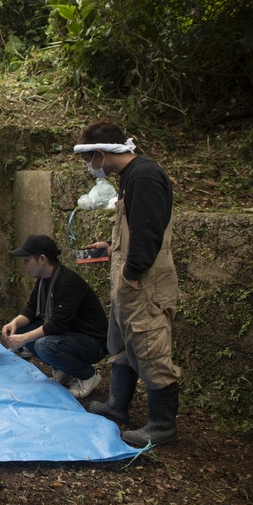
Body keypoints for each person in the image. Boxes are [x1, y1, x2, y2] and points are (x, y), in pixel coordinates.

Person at [75, 119, 179, 446]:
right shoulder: (130, 177)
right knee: (121, 348)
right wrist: (112, 248)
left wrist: (132, 274)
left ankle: (161, 426)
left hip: (143, 286)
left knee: (150, 350)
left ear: (101, 153)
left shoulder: (145, 176)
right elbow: (136, 228)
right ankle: (117, 407)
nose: (91, 167)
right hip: (129, 284)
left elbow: (148, 234)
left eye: (89, 160)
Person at [2, 234, 109, 398]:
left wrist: (23, 339)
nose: (24, 265)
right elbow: (31, 309)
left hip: (93, 343)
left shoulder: (67, 282)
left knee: (44, 345)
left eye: (27, 260)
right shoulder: (44, 280)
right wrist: (14, 323)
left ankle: (88, 375)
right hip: (70, 336)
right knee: (22, 328)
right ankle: (63, 369)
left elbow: (56, 325)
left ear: (42, 259)